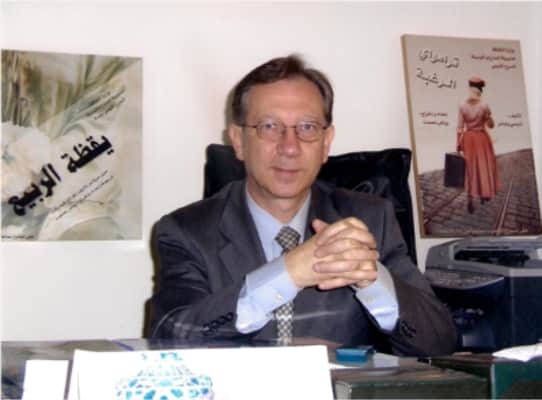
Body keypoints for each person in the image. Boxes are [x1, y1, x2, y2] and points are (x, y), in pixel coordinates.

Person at [150, 55, 457, 356]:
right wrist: (286, 274)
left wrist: (375, 282)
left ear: (326, 142)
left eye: (307, 127)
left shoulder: (372, 219)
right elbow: (168, 339)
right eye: (270, 126)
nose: (290, 147)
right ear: (238, 141)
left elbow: (440, 343)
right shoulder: (187, 231)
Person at [456, 77, 501, 213]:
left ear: (470, 88)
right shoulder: (484, 105)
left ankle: (470, 199)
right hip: (482, 139)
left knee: (470, 169)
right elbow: (491, 125)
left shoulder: (462, 105)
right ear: (480, 90)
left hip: (468, 139)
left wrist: (458, 144)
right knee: (483, 166)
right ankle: (483, 194)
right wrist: (489, 116)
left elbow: (459, 128)